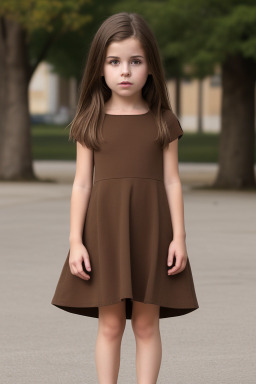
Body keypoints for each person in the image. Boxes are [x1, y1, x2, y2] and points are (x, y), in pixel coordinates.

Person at [51, 12, 199, 383]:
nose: (125, 71)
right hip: (106, 232)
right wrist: (75, 241)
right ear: (100, 68)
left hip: (152, 231)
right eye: (114, 62)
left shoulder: (163, 120)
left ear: (150, 65)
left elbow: (172, 181)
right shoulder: (90, 119)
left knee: (147, 325)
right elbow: (82, 183)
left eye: (135, 61)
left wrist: (179, 238)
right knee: (111, 325)